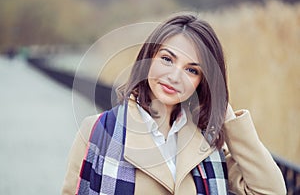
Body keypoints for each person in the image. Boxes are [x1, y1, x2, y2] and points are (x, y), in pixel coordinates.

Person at [62, 13, 286, 194]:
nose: (175, 76)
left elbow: (270, 190)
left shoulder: (207, 147)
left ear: (202, 82)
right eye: (167, 59)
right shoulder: (98, 130)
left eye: (192, 70)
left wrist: (226, 117)